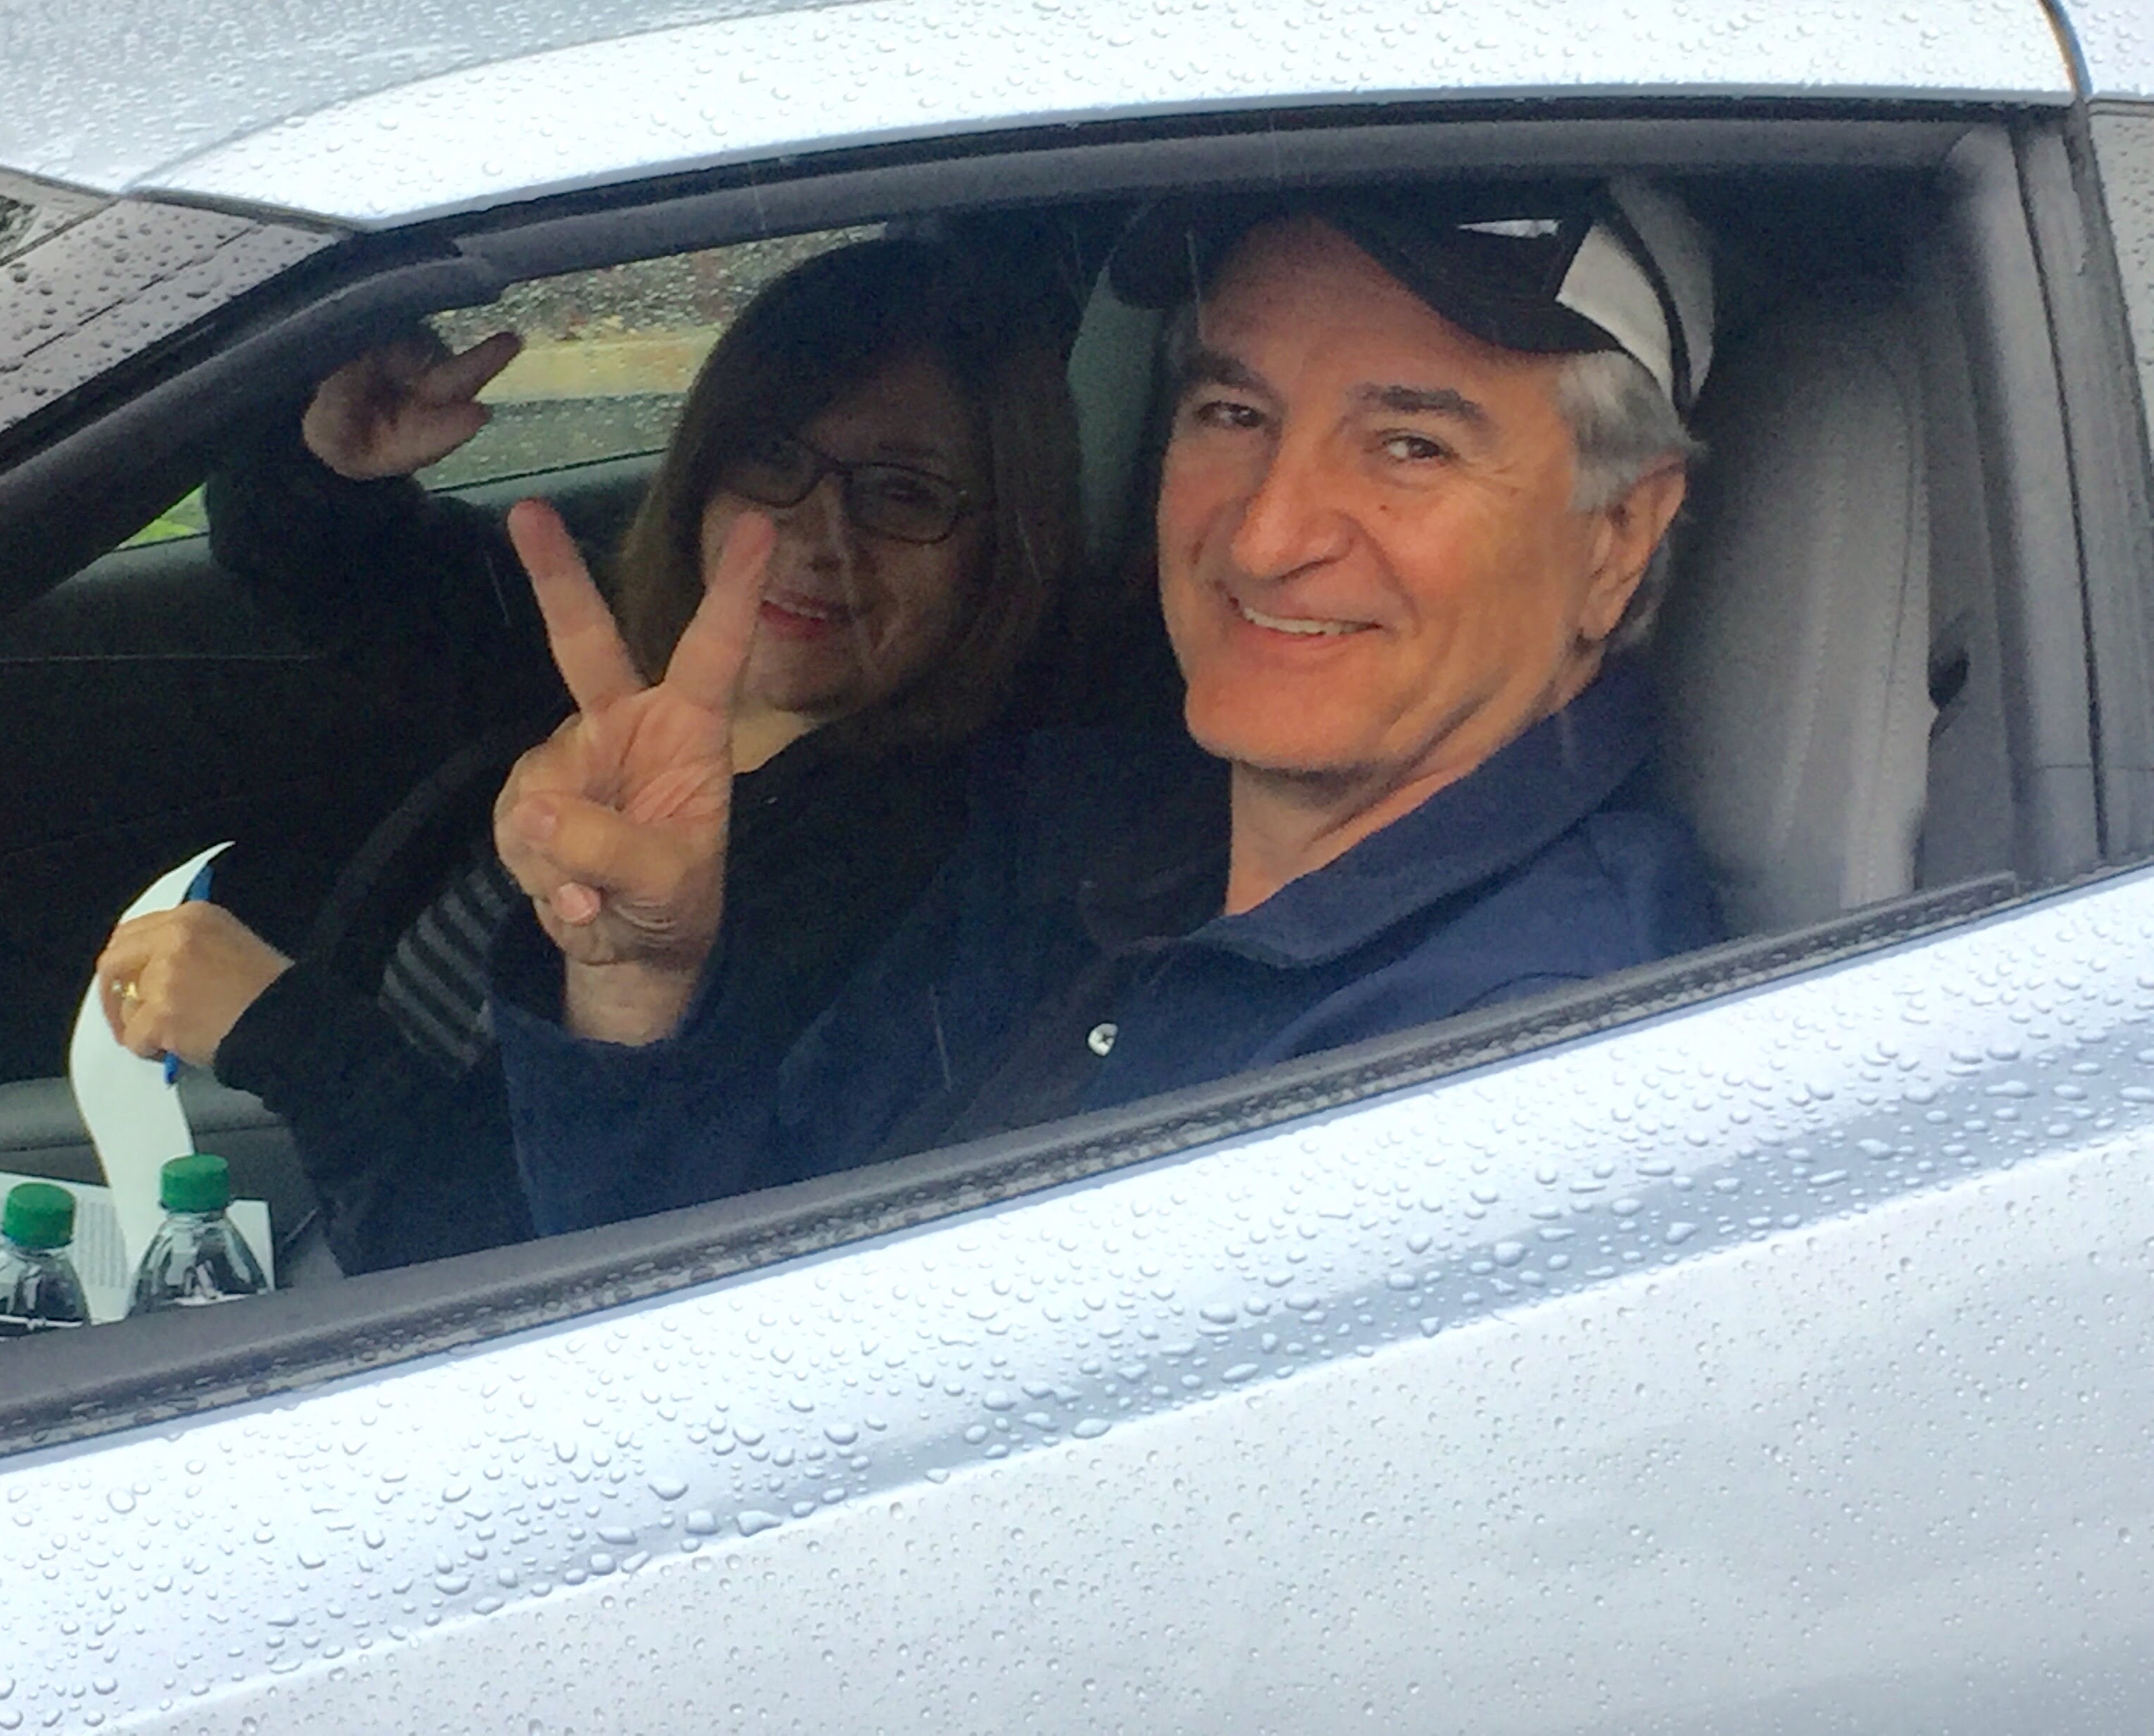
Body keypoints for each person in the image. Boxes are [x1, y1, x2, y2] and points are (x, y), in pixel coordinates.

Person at [486, 179, 1724, 1237]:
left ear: (1619, 536)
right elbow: (708, 1285)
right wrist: (640, 987)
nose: (1266, 536)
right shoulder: (1077, 826)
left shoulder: (1529, 1060)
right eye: (1234, 415)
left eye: (1411, 445)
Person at [94, 237, 1081, 1270]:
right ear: (705, 469)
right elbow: (319, 569)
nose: (816, 533)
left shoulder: (929, 884)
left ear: (999, 545)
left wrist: (288, 1034)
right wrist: (329, 466)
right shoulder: (606, 663)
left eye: (905, 494)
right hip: (333, 1203)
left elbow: (524, 1262)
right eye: (773, 457)